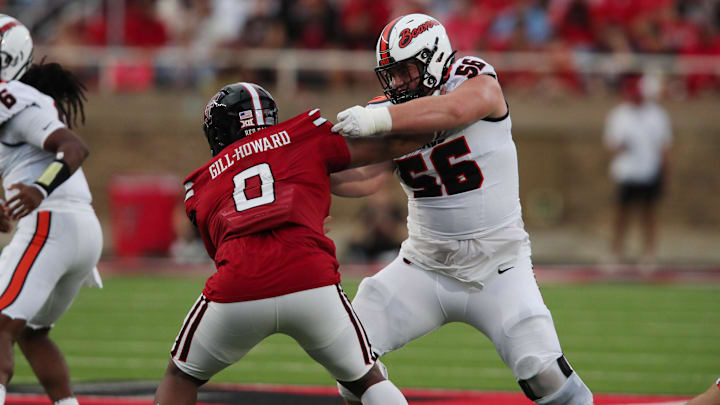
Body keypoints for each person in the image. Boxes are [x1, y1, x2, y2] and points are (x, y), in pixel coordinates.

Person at [330, 13, 594, 404]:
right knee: (349, 360)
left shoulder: (473, 78)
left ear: (434, 57)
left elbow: (453, 111)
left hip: (498, 267)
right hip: (424, 265)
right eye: (391, 74)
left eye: (406, 70)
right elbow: (367, 177)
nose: (398, 83)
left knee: (549, 381)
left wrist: (377, 118)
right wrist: (309, 175)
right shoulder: (389, 109)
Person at [154, 81, 433, 405]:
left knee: (180, 377)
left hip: (240, 284)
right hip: (310, 277)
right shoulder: (303, 134)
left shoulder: (200, 184)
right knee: (367, 380)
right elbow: (380, 157)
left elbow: (222, 245)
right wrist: (437, 119)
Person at [0, 14, 103, 405]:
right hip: (80, 229)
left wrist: (39, 191)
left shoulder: (11, 96)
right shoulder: (20, 98)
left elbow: (74, 148)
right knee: (30, 332)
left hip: (51, 223)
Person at [603, 74, 672, 265]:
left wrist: (665, 174)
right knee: (621, 214)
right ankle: (616, 252)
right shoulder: (619, 114)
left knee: (648, 214)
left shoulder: (657, 115)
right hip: (626, 173)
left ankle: (649, 254)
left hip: (649, 172)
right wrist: (621, 147)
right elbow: (611, 145)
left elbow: (664, 148)